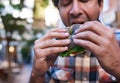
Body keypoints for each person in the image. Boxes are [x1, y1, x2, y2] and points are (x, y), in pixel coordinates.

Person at [29, 0, 120, 83]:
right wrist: (37, 74)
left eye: (84, 0)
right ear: (59, 9)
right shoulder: (48, 49)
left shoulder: (117, 41)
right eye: (66, 3)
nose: (75, 11)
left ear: (100, 5)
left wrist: (117, 67)